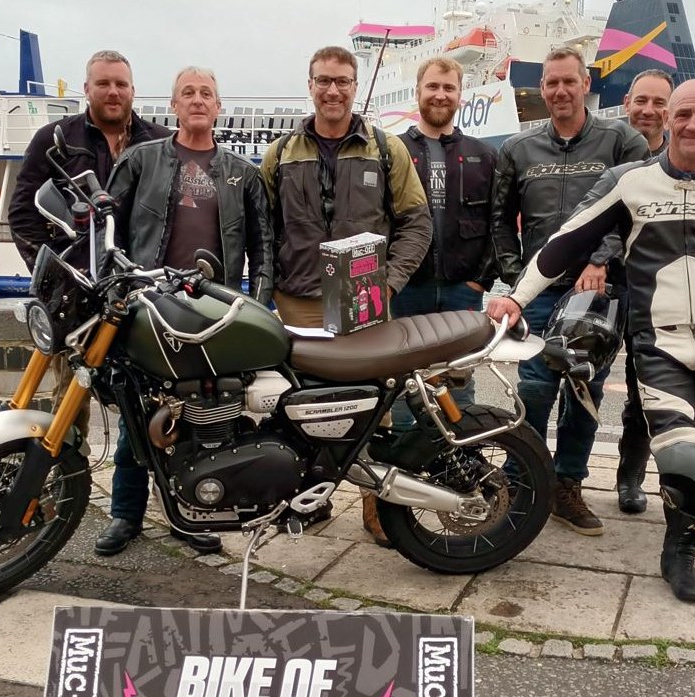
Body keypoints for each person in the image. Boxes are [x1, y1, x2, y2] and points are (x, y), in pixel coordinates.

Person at [487, 79, 695, 615]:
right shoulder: (629, 181)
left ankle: (679, 550)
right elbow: (565, 243)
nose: (694, 125)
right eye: (684, 114)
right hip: (659, 348)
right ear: (667, 118)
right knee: (684, 456)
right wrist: (515, 297)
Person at [96, 66, 274, 557]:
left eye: (207, 94)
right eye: (188, 93)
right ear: (173, 105)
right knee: (139, 414)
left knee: (201, 417)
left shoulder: (244, 173)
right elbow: (108, 236)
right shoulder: (141, 160)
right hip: (149, 306)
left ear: (219, 107)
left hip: (213, 312)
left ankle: (188, 513)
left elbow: (263, 246)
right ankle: (125, 515)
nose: (198, 100)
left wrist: (255, 304)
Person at [260, 45, 431, 545]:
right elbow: (264, 231)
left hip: (364, 304)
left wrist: (389, 281)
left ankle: (375, 508)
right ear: (309, 84)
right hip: (297, 302)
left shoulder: (385, 148)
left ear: (354, 87)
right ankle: (309, 498)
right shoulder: (281, 154)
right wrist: (265, 292)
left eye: (342, 81)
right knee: (300, 409)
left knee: (370, 411)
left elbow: (416, 223)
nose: (332, 90)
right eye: (323, 80)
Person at [491, 47, 648, 536]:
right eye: (551, 83)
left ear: (586, 84)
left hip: (598, 290)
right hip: (539, 291)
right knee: (534, 391)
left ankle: (567, 486)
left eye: (569, 82)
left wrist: (601, 258)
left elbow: (633, 208)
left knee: (585, 392)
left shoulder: (622, 139)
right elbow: (499, 219)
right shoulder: (519, 149)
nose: (560, 91)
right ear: (542, 89)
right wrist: (518, 275)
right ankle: (523, 481)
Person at [8, 50, 169, 437]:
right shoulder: (57, 140)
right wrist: (57, 278)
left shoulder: (160, 142)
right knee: (69, 406)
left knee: (151, 407)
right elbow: (23, 215)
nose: (113, 92)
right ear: (86, 89)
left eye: (121, 84)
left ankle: (142, 496)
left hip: (141, 296)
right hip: (78, 300)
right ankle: (67, 489)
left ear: (133, 90)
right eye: (103, 84)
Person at [391, 55, 497, 425]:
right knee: (406, 376)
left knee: (460, 376)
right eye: (432, 86)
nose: (440, 95)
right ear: (418, 92)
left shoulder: (485, 156)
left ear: (460, 95)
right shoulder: (393, 151)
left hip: (462, 288)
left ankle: (461, 462)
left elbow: (496, 224)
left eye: (448, 87)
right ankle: (405, 467)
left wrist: (480, 280)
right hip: (407, 287)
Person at [614, 68, 674, 513]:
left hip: (655, 293)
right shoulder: (609, 154)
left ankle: (630, 477)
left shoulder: (684, 164)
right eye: (641, 101)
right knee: (578, 385)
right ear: (627, 103)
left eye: (658, 103)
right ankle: (558, 479)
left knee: (646, 390)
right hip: (600, 284)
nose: (648, 111)